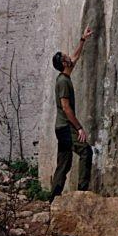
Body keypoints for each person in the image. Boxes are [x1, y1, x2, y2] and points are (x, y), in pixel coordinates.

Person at [49, 26, 93, 203]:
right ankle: (82, 192)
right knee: (86, 151)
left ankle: (53, 199)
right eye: (67, 58)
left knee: (64, 163)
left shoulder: (64, 76)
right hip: (66, 128)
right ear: (64, 64)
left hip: (61, 128)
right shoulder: (63, 82)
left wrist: (83, 39)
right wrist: (79, 128)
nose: (70, 58)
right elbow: (66, 108)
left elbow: (76, 56)